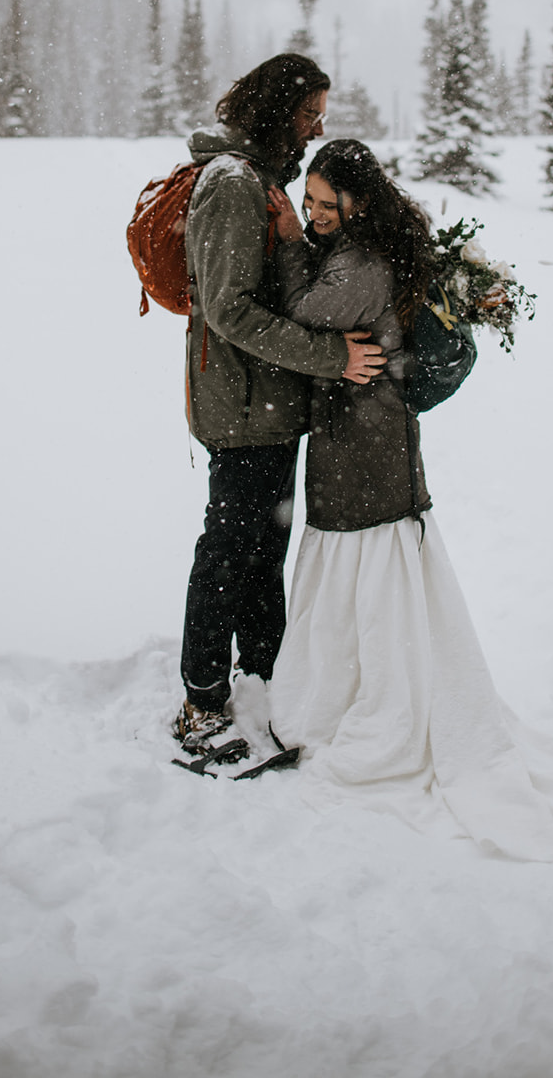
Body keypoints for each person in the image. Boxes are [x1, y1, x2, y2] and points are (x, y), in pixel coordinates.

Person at [266, 138, 553, 861]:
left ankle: (376, 707)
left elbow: (302, 312)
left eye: (323, 205)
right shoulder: (369, 248)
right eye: (306, 204)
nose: (312, 216)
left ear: (359, 203)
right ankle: (362, 691)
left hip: (367, 451)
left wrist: (284, 245)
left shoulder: (361, 264)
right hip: (369, 446)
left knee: (369, 582)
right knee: (373, 586)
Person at [173, 58, 387, 753]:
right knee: (231, 549)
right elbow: (228, 308)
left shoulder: (263, 180)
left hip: (267, 407)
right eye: (308, 114)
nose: (317, 127)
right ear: (276, 110)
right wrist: (333, 359)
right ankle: (202, 702)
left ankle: (264, 680)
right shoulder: (233, 184)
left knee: (264, 548)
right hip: (240, 409)